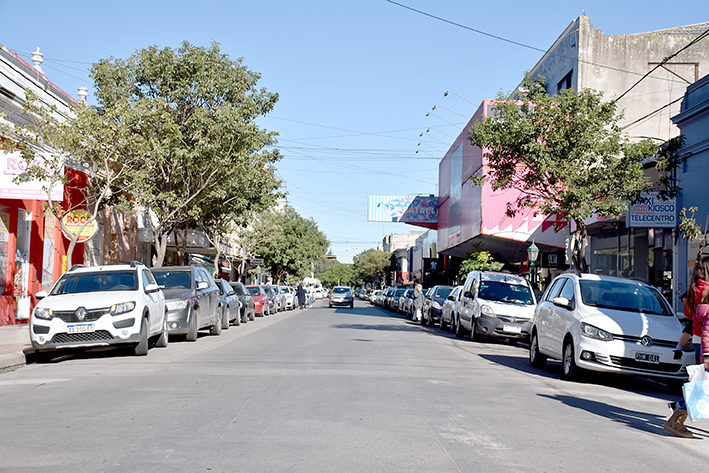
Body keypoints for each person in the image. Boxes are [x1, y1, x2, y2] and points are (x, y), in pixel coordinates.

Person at [665, 255, 709, 438]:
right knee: (702, 386)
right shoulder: (706, 290)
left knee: (702, 385)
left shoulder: (694, 288)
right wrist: (707, 354)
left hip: (699, 337)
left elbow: (690, 314)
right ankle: (678, 414)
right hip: (705, 343)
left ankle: (679, 410)